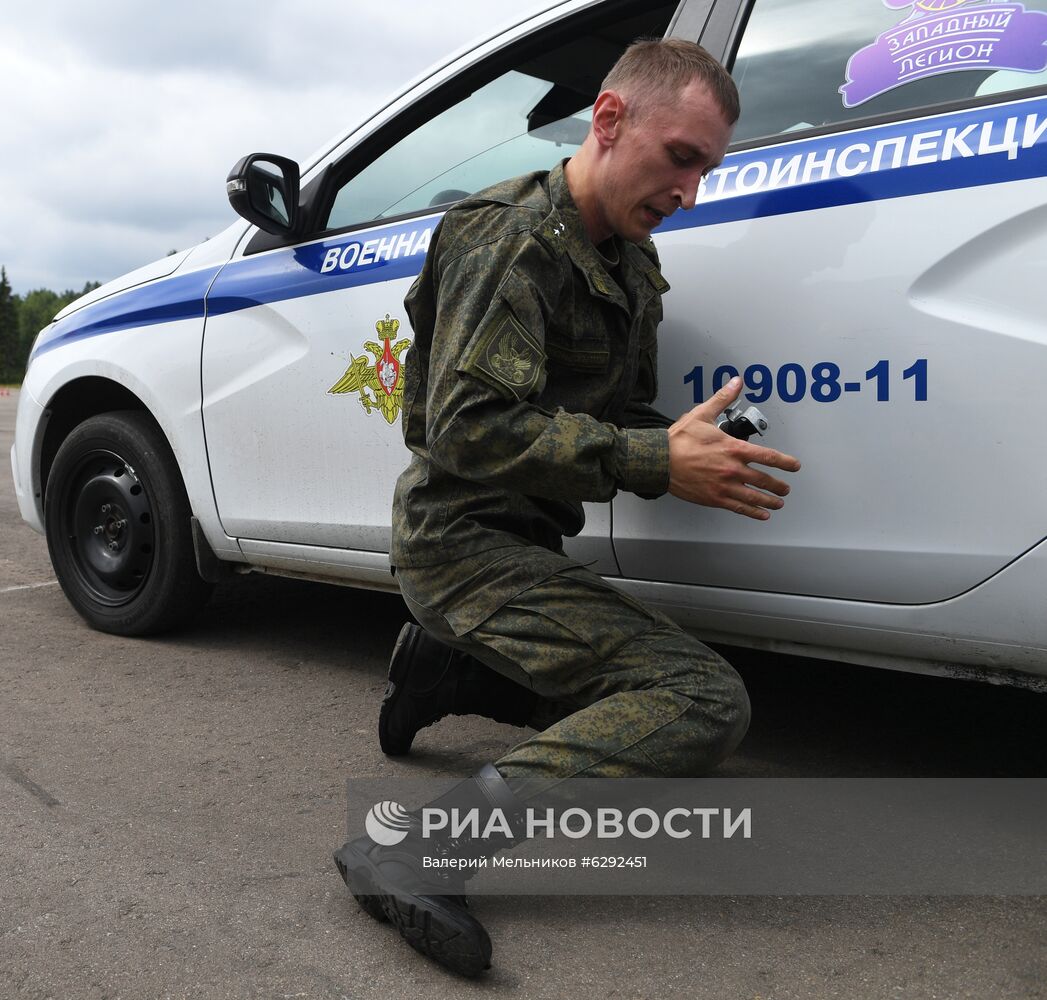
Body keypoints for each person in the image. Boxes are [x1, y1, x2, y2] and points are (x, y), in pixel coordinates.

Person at [334, 39, 802, 976]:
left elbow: (612, 417)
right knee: (698, 700)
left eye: (706, 169)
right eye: (680, 158)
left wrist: (686, 443)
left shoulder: (627, 262)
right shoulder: (505, 238)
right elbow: (463, 430)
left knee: (642, 689)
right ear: (609, 120)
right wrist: (650, 459)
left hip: (527, 544)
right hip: (458, 544)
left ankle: (450, 672)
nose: (691, 191)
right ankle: (412, 849)